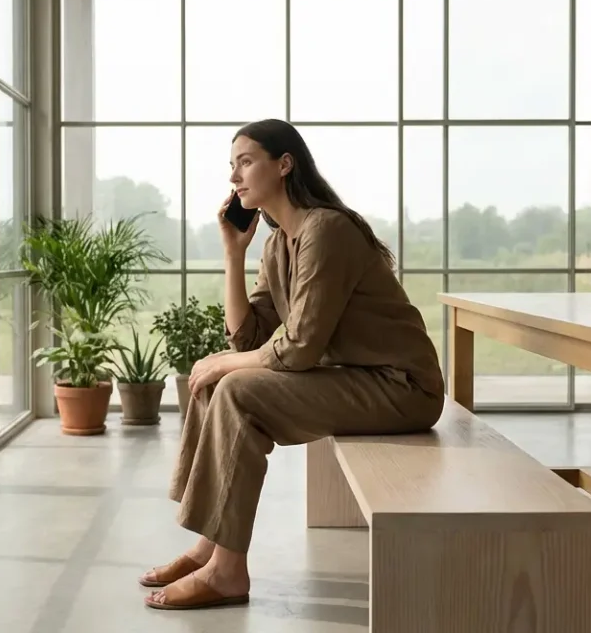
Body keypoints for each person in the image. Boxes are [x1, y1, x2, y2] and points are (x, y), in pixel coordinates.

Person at [140, 118, 446, 611]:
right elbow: (252, 335)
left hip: (401, 387)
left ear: (284, 165)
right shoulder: (278, 241)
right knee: (218, 383)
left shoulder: (327, 230)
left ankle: (226, 571)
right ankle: (208, 547)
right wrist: (233, 254)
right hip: (356, 379)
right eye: (232, 166)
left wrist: (228, 364)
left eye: (245, 162)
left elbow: (299, 347)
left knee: (236, 388)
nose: (234, 177)